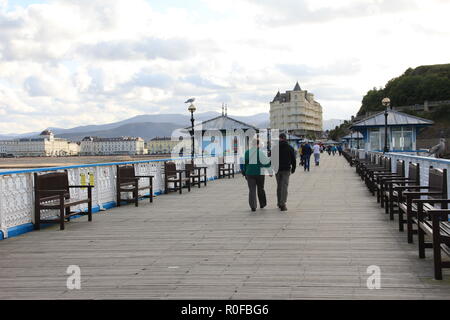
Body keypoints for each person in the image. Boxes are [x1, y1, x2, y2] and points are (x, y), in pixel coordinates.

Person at [242, 138, 272, 212]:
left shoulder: (247, 152)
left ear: (252, 144)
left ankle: (253, 206)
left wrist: (245, 172)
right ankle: (262, 204)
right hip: (259, 174)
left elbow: (245, 164)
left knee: (252, 190)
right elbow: (266, 163)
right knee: (260, 188)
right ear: (258, 144)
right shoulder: (260, 152)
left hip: (249, 173)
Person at [276, 133, 296, 212]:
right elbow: (293, 159)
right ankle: (282, 204)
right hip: (286, 170)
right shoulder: (290, 147)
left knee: (279, 186)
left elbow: (271, 159)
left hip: (277, 169)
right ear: (285, 138)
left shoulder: (275, 147)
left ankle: (279, 202)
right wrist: (293, 168)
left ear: (279, 138)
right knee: (284, 186)